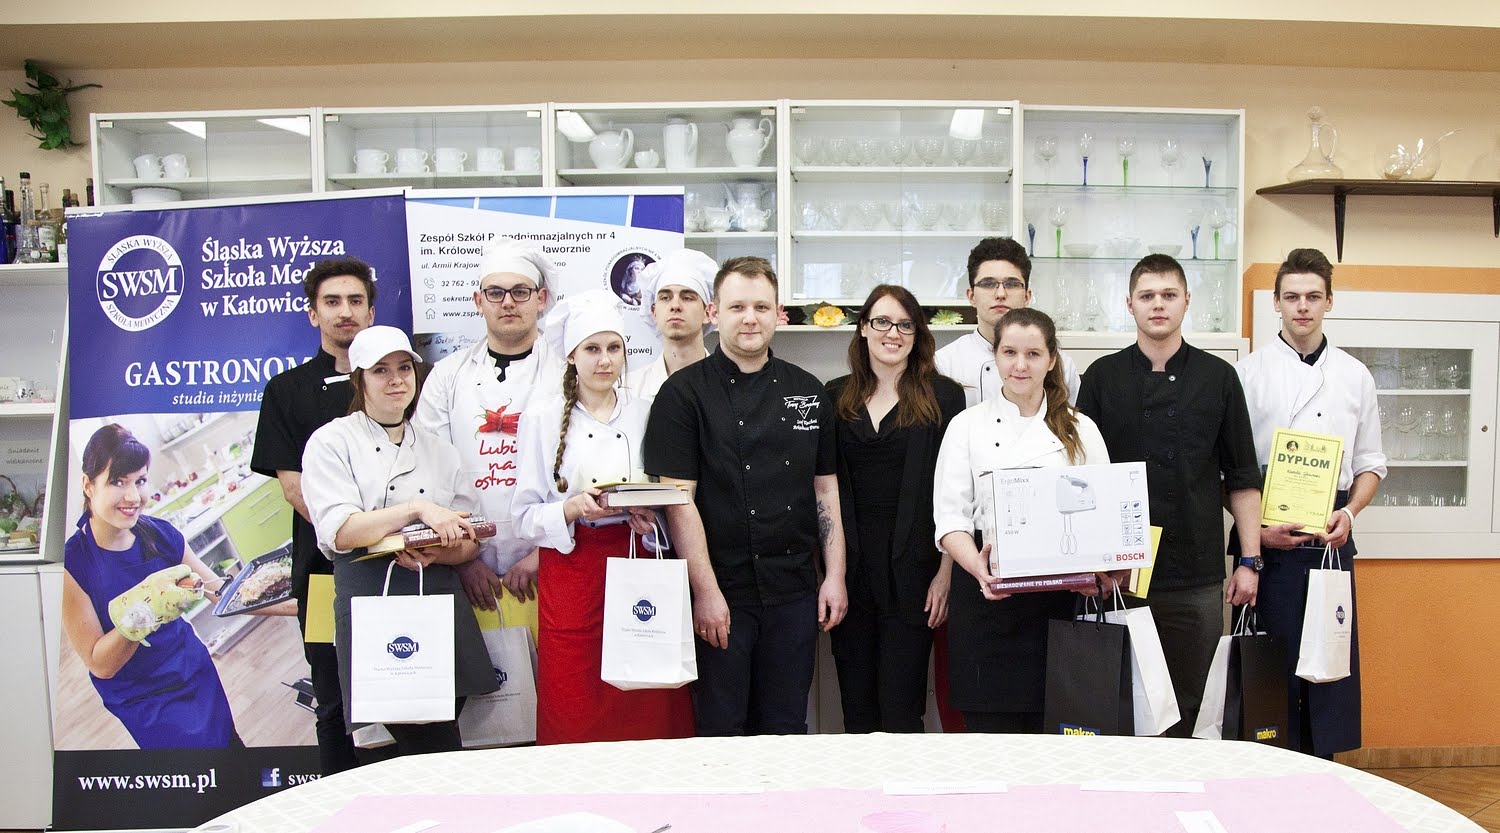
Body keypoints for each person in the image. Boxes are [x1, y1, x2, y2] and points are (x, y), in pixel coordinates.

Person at [643, 255, 848, 736]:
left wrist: (835, 576)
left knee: (786, 726)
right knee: (721, 729)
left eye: (761, 307)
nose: (750, 318)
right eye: (737, 307)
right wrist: (705, 592)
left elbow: (825, 490)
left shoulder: (808, 391)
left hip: (794, 591)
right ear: (714, 313)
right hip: (722, 590)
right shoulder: (682, 395)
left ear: (779, 314)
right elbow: (679, 501)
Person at [1076, 254, 1263, 738]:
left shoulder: (1219, 377)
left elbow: (1242, 476)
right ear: (1129, 305)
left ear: (1186, 301)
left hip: (1196, 571)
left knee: (1194, 701)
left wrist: (1250, 561)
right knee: (1119, 697)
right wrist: (1089, 563)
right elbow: (1080, 480)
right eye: (1147, 296)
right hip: (1119, 571)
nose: (1158, 304)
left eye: (1168, 295)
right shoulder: (1101, 378)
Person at [301, 326, 497, 755]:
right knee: (428, 747)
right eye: (381, 371)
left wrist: (435, 551)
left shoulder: (439, 449)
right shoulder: (331, 442)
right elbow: (342, 531)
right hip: (372, 599)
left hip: (438, 596)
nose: (396, 380)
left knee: (439, 732)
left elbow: (470, 543)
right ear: (359, 380)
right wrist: (416, 509)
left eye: (404, 368)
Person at [512, 290, 695, 744]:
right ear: (572, 356)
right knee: (574, 695)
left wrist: (649, 521)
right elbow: (523, 517)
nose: (605, 360)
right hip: (573, 570)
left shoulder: (645, 410)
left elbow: (668, 496)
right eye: (592, 349)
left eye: (614, 348)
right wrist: (571, 508)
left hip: (636, 559)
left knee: (646, 686)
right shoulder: (540, 418)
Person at [1234, 247, 1386, 757]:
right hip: (1267, 538)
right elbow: (1231, 469)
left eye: (1313, 297)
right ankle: (1270, 768)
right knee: (1270, 668)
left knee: (1329, 663)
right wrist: (1257, 537)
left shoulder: (1355, 375)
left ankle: (1325, 769)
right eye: (1292, 296)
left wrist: (1350, 512)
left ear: (1329, 302)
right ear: (1275, 302)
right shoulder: (1247, 374)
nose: (1303, 306)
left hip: (1331, 538)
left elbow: (1371, 463)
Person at [932, 308, 1111, 732]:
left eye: (1033, 354)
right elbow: (950, 518)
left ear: (1052, 360)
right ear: (995, 356)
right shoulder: (966, 426)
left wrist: (1097, 573)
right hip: (986, 599)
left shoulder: (1082, 429)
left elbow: (1103, 516)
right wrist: (979, 568)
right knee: (991, 740)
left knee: (1062, 734)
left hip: (1061, 606)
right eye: (1009, 352)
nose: (1020, 365)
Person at [251, 256, 375, 773]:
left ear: (370, 312)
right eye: (332, 302)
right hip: (325, 574)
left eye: (355, 300)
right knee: (333, 697)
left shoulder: (402, 381)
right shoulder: (286, 391)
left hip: (405, 568)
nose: (345, 312)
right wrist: (362, 537)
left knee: (413, 687)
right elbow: (294, 489)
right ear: (313, 313)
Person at [825, 284, 966, 733]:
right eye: (882, 322)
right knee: (856, 709)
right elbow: (824, 491)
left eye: (905, 325)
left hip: (916, 573)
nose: (893, 333)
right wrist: (831, 574)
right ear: (863, 329)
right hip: (851, 571)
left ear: (917, 334)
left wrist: (945, 574)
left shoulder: (944, 396)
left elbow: (956, 493)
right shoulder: (834, 397)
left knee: (903, 710)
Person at [61, 423, 240, 749]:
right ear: (88, 485)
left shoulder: (159, 533)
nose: (133, 496)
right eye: (118, 482)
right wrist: (145, 611)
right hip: (145, 702)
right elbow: (100, 664)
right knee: (188, 774)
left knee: (233, 755)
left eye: (140, 481)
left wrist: (291, 597)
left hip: (193, 672)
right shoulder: (72, 566)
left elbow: (218, 590)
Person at [414, 242, 563, 612]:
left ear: (541, 299)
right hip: (462, 561)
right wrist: (463, 559)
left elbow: (580, 474)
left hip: (552, 559)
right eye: (495, 293)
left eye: (520, 291)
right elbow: (427, 470)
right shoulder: (447, 376)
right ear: (478, 301)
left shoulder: (567, 373)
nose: (508, 302)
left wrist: (542, 556)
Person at [936, 237, 1081, 408]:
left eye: (1011, 284)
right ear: (971, 296)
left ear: (1027, 296)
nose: (1000, 294)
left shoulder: (1062, 366)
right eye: (988, 284)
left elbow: (1070, 421)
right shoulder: (944, 363)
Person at [624, 248, 715, 401]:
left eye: (687, 297)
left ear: (708, 313)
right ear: (654, 312)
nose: (675, 306)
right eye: (665, 298)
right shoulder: (629, 391)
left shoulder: (730, 387)